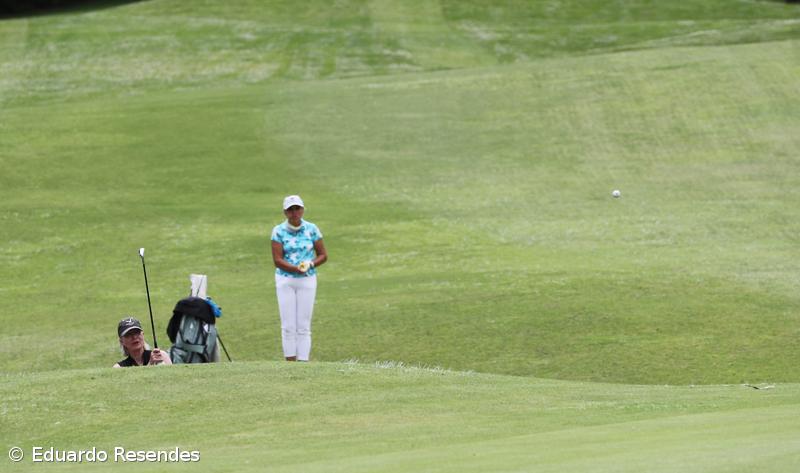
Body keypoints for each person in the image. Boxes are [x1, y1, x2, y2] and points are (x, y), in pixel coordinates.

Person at [271, 195, 328, 361]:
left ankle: (303, 363)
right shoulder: (278, 231)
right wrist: (295, 269)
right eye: (290, 209)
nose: (294, 212)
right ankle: (290, 363)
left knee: (303, 325)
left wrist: (310, 264)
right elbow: (277, 260)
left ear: (302, 209)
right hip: (285, 280)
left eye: (297, 208)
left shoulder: (312, 229)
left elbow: (323, 255)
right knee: (288, 325)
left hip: (307, 280)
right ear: (285, 212)